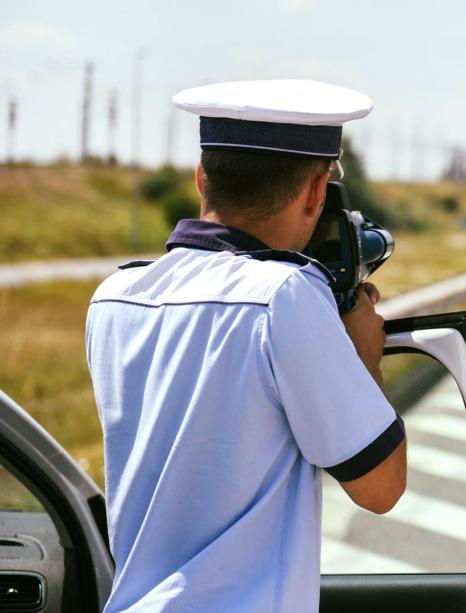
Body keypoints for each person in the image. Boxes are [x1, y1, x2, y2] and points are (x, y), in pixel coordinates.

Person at [85, 80, 406, 612]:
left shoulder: (115, 296)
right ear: (315, 191)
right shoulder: (284, 297)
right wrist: (365, 356)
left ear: (200, 179)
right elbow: (381, 487)